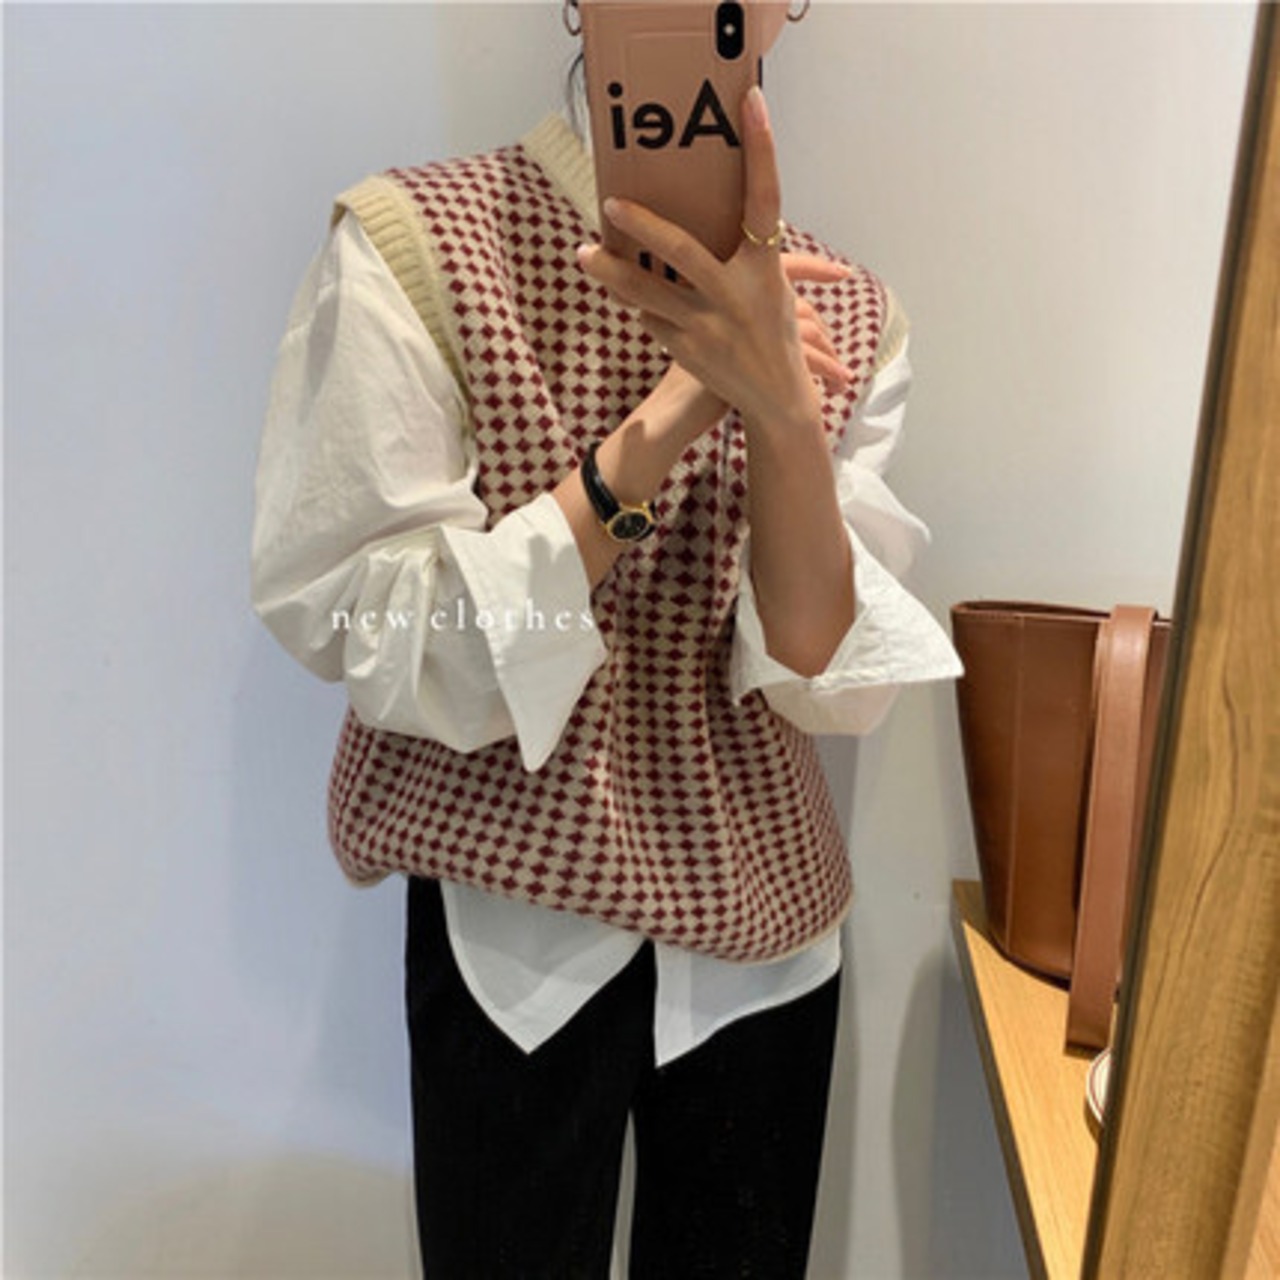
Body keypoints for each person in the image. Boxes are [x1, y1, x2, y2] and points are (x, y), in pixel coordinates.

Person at [251, 6, 960, 1275]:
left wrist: (781, 414)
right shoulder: (420, 244)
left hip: (763, 944)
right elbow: (369, 622)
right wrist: (671, 416)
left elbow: (818, 677)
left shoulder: (849, 316)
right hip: (509, 934)